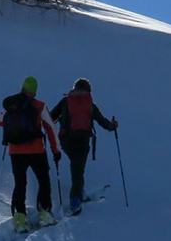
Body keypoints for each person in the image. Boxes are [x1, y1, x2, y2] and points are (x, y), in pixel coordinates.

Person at [0, 76, 61, 232]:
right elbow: (51, 128)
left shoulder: (12, 105)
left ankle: (20, 218)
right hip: (37, 150)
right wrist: (56, 151)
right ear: (35, 91)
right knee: (43, 180)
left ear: (22, 88)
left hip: (16, 152)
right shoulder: (39, 106)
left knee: (20, 183)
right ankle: (45, 214)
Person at [48, 78, 118, 214]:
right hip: (82, 141)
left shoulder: (65, 101)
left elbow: (50, 117)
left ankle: (80, 192)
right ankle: (75, 201)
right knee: (78, 170)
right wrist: (113, 125)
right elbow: (103, 123)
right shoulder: (90, 105)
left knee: (76, 167)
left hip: (66, 141)